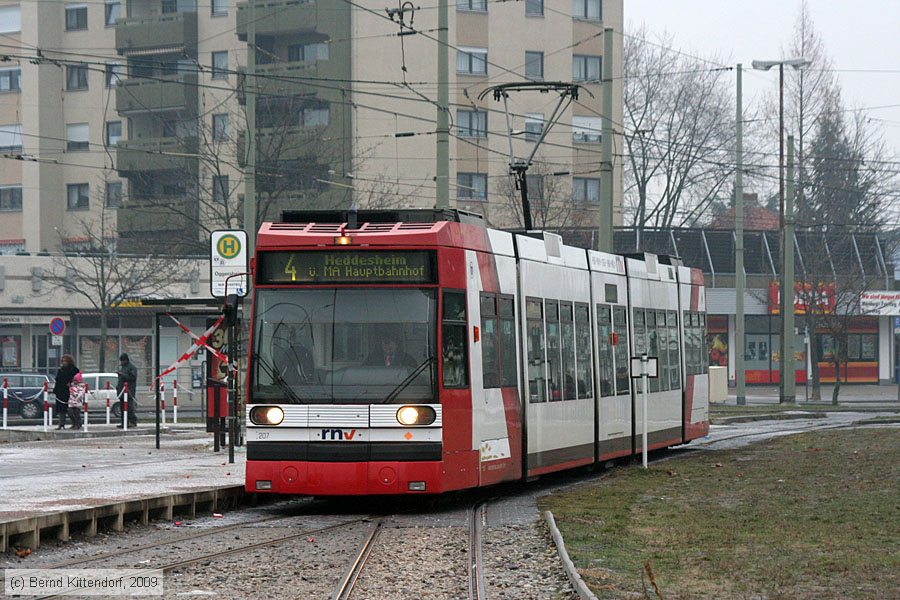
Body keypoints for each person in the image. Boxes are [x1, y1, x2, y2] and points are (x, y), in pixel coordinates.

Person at [52, 354, 79, 430]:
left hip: (70, 392)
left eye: (65, 361)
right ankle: (61, 424)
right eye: (62, 361)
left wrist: (71, 383)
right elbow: (57, 381)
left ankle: (76, 423)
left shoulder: (74, 370)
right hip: (60, 392)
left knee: (72, 409)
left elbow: (77, 379)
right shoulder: (61, 370)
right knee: (61, 409)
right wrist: (56, 390)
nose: (63, 362)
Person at [116, 353, 138, 428]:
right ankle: (124, 423)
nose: (121, 363)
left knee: (129, 407)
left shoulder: (132, 368)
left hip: (129, 391)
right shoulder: (123, 367)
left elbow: (132, 377)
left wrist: (122, 374)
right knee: (122, 408)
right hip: (122, 391)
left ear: (126, 360)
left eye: (122, 361)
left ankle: (133, 421)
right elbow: (121, 379)